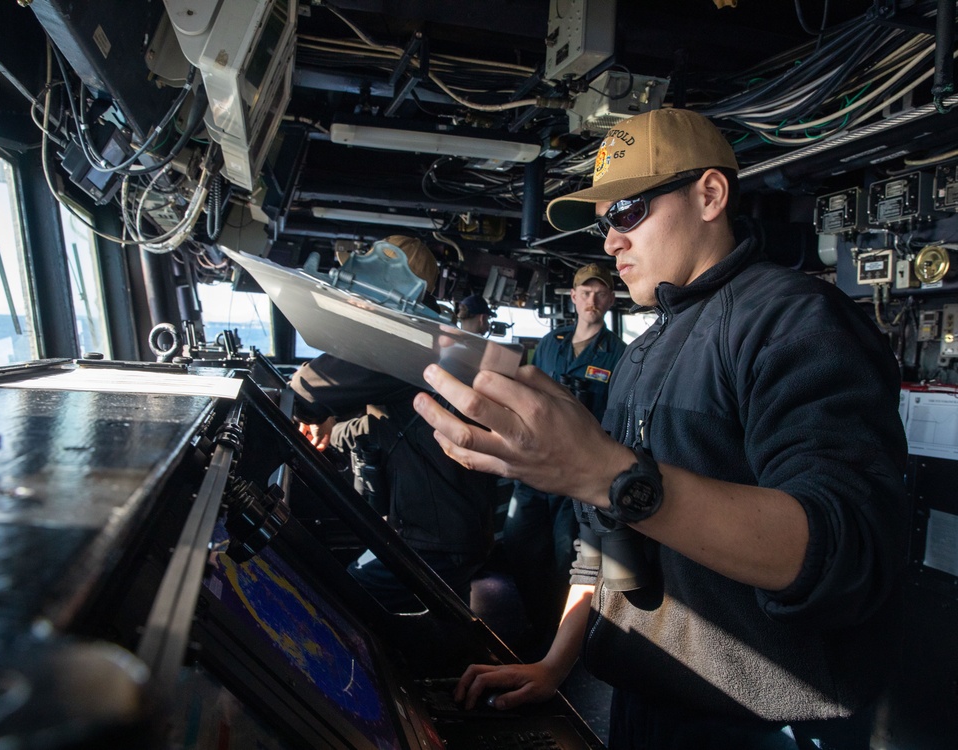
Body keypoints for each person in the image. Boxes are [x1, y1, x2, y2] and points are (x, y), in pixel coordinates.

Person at [412, 108, 908, 749]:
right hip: (642, 704)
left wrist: (607, 475)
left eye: (628, 212)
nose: (611, 241)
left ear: (709, 195)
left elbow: (845, 549)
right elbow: (605, 541)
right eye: (604, 224)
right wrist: (556, 663)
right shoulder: (645, 352)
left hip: (760, 725)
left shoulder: (796, 322)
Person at [290, 235, 496, 614]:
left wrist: (317, 413)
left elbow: (305, 391)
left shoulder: (411, 341)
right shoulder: (437, 337)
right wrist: (331, 424)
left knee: (337, 601)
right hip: (448, 526)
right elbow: (381, 420)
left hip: (438, 538)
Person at [503, 262, 625, 659]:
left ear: (609, 299)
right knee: (519, 548)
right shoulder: (550, 342)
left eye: (600, 293)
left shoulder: (618, 355)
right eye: (584, 292)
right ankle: (536, 625)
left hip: (575, 477)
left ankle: (560, 642)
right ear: (573, 297)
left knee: (565, 560)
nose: (592, 300)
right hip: (532, 469)